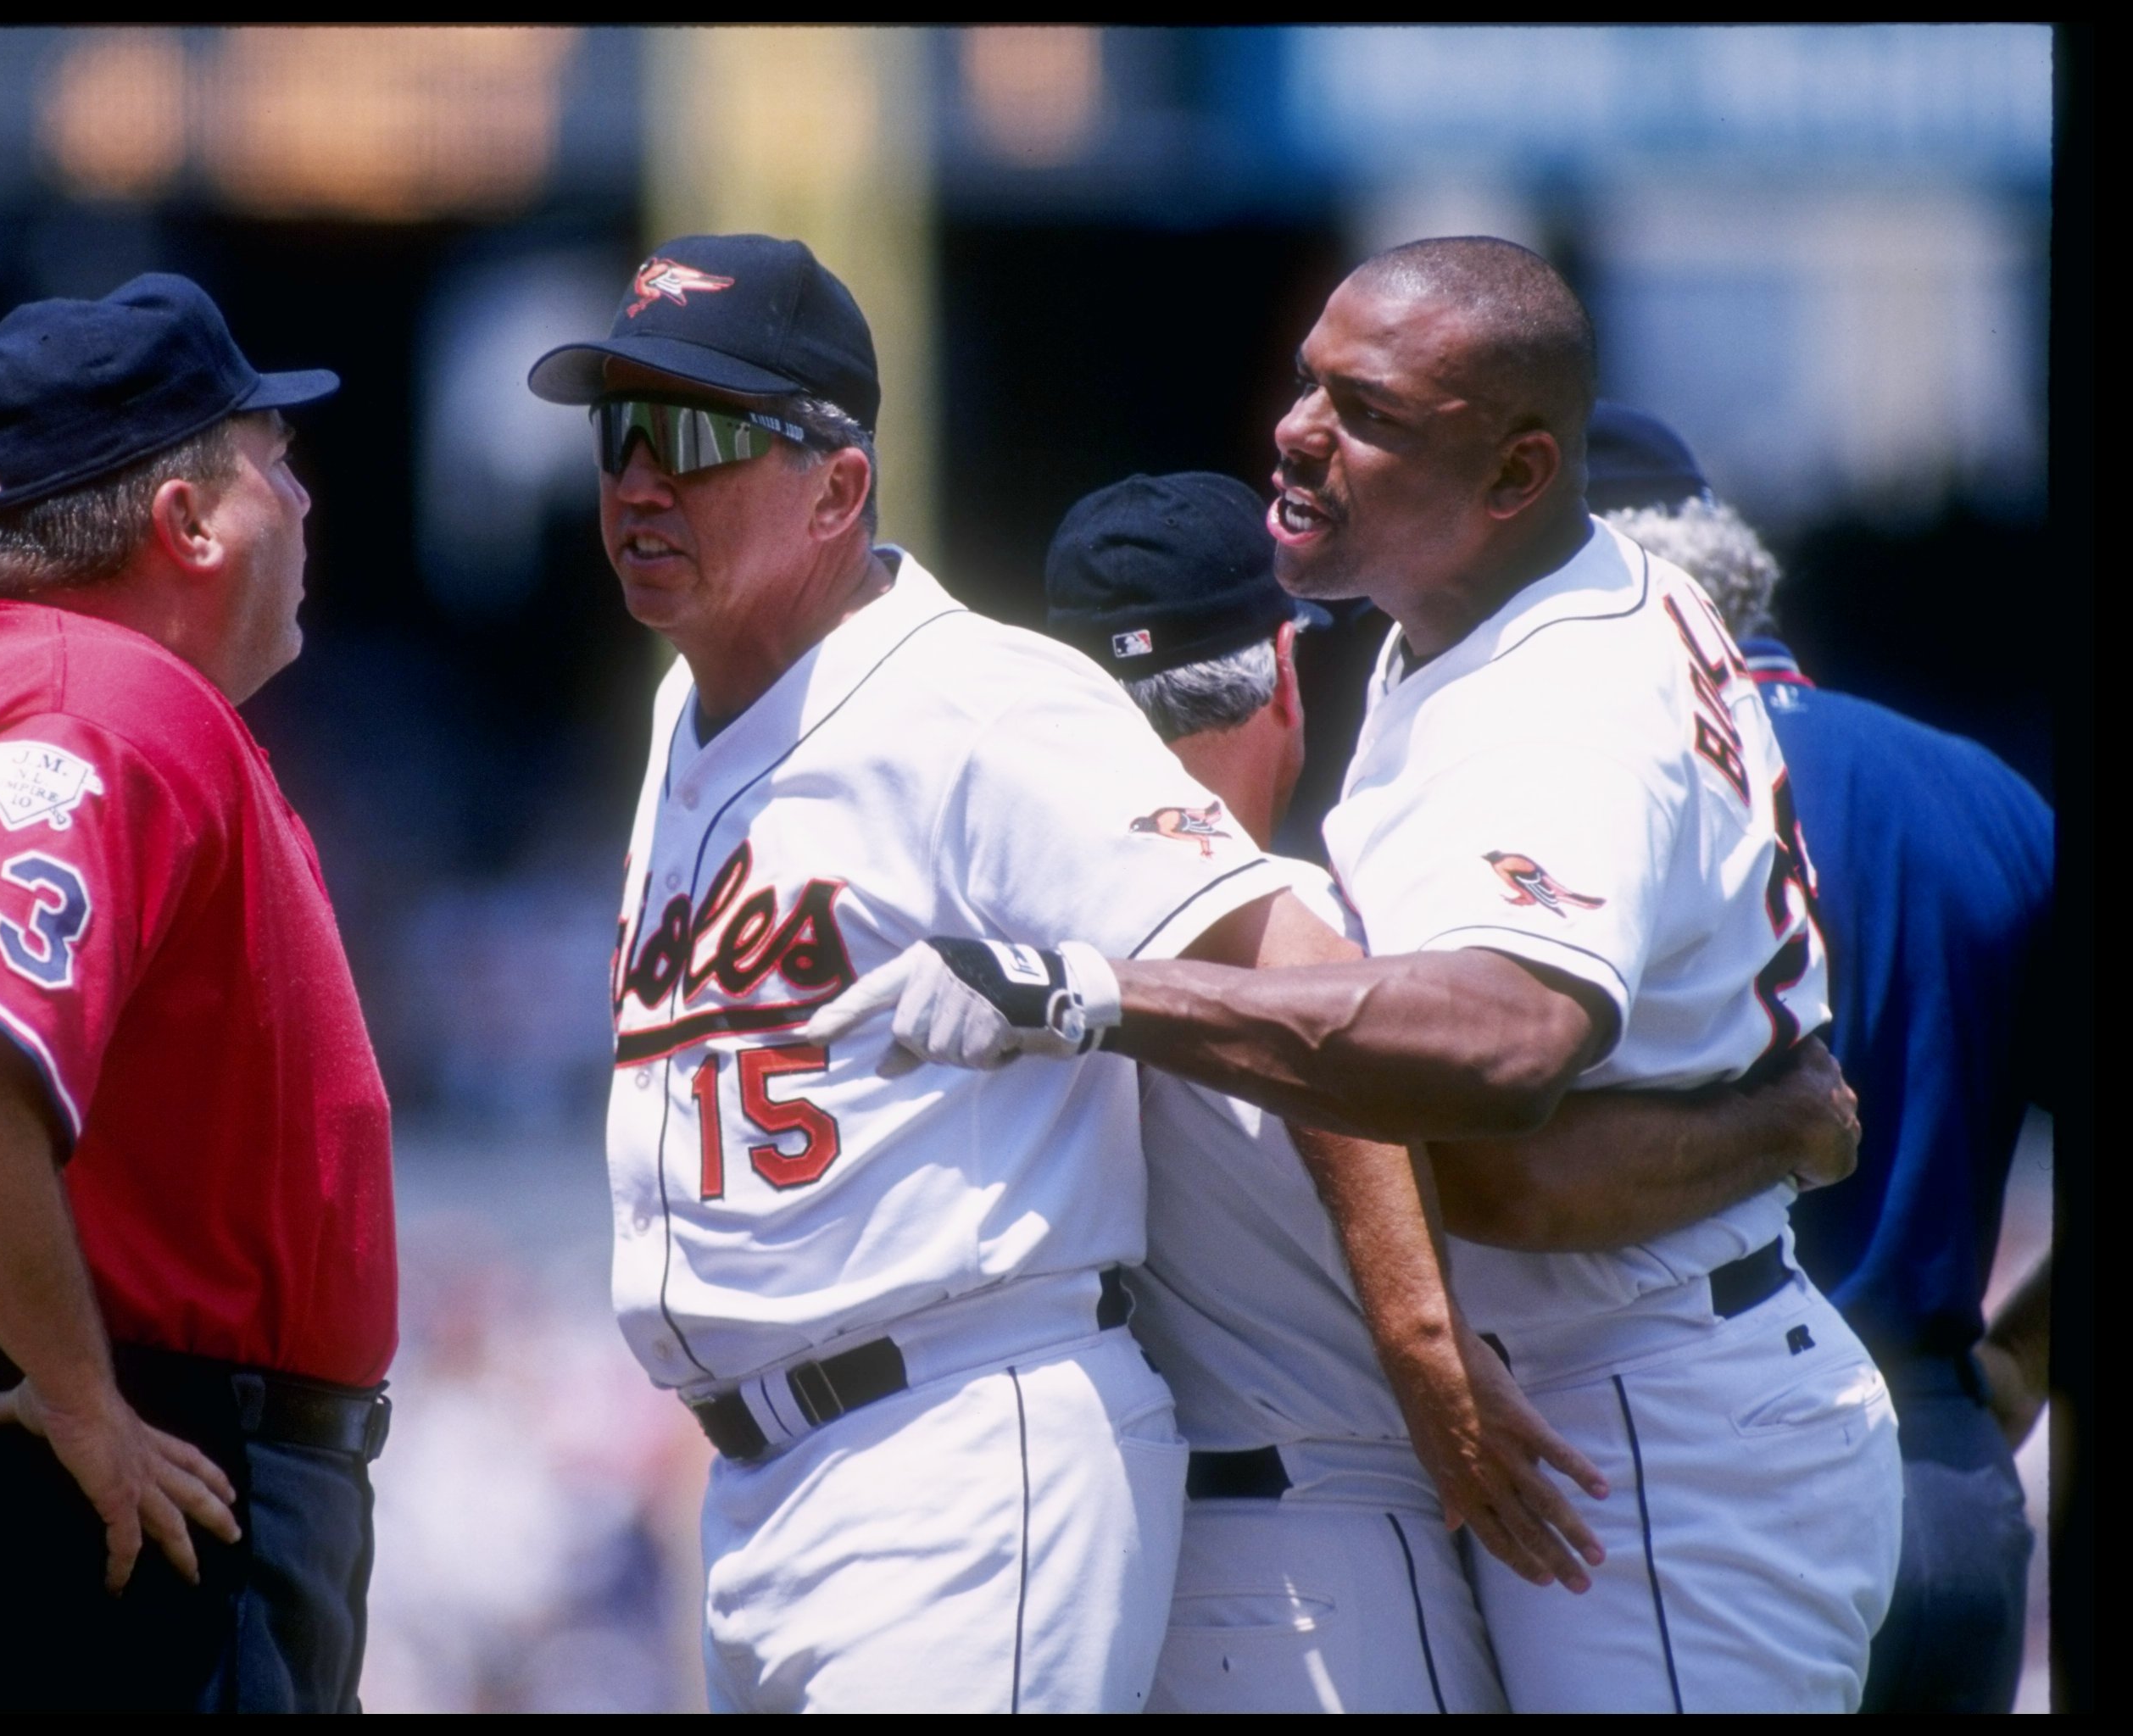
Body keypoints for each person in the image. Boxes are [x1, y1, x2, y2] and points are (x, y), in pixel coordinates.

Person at [821, 238, 1905, 1711]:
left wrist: (1098, 990)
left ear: (1517, 476)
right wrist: (1773, 1126)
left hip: (1662, 1422)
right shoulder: (1505, 608)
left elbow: (1502, 1061)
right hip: (1634, 1380)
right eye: (1308, 381)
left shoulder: (1553, 704)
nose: (1299, 429)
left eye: (1371, 411)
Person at [526, 234, 1604, 1713]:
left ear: (840, 486)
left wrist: (1421, 1342)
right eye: (619, 431)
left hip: (955, 1440)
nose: (641, 479)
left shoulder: (980, 698)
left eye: (699, 435)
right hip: (763, 1480)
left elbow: (1298, 964)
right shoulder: (683, 706)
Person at [1033, 470, 1864, 1713]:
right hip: (1339, 1544)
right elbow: (1479, 1157)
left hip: (1141, 1549)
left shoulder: (1023, 918)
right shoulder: (1310, 940)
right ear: (1280, 662)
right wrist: (1784, 1125)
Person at [0, 274, 396, 1711]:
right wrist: (81, 1399)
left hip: (96, 1495)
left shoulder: (71, 691)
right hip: (73, 1519)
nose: (303, 504)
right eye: (274, 463)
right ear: (185, 526)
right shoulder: (94, 702)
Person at [1588, 403, 2055, 1713]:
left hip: (1702, 1481)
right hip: (1940, 1474)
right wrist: (2017, 1360)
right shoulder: (1980, 790)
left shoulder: (1601, 811)